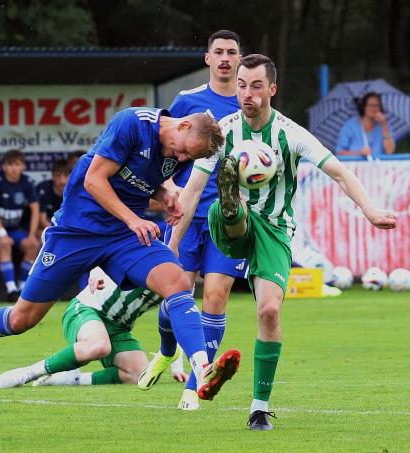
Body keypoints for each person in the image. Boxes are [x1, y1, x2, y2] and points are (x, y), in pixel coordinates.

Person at [0, 107, 241, 405]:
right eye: (185, 152)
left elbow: (141, 183)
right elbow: (94, 180)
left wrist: (164, 196)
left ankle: (202, 368)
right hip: (77, 231)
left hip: (122, 238)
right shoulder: (132, 123)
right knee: (22, 320)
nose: (182, 159)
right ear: (184, 125)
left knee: (176, 280)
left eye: (190, 158)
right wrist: (134, 219)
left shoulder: (175, 151)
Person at [171, 54, 397, 430]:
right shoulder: (222, 131)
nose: (247, 94)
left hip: (275, 230)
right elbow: (192, 191)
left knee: (269, 312)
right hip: (229, 226)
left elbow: (339, 172)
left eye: (256, 87)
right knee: (230, 210)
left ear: (272, 89)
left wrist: (370, 210)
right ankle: (231, 202)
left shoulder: (290, 133)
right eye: (242, 86)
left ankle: (258, 409)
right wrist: (172, 244)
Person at [167, 29, 248, 411]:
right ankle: (170, 350)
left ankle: (196, 386)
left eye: (232, 52)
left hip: (227, 219)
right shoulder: (187, 101)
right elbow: (165, 152)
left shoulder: (250, 102)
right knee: (177, 294)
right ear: (207, 58)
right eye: (219, 52)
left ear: (240, 58)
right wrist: (166, 188)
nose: (226, 58)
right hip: (186, 213)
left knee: (215, 297)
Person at [0, 268, 186, 388]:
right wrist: (95, 271)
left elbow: (175, 322)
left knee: (139, 374)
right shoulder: (153, 254)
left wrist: (177, 366)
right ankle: (29, 373)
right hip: (88, 308)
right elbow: (106, 251)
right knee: (99, 346)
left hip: (119, 327)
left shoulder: (183, 282)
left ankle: (72, 379)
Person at [0, 150, 40, 302]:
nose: (13, 168)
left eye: (17, 164)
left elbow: (35, 209)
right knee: (4, 244)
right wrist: (2, 233)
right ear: (4, 167)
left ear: (23, 167)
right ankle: (11, 289)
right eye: (10, 164)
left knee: (33, 245)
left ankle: (22, 288)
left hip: (14, 229)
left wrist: (31, 235)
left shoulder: (27, 182)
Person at [335, 92, 396, 159]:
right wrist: (359, 153)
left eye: (377, 105)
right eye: (370, 105)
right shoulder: (350, 126)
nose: (374, 108)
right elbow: (339, 153)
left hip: (379, 167)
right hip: (354, 167)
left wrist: (384, 125)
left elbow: (390, 151)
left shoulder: (385, 126)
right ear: (363, 107)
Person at [35, 158, 70, 236]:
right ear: (52, 176)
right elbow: (42, 220)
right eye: (58, 176)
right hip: (48, 229)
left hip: (65, 229)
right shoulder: (43, 189)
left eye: (66, 175)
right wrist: (59, 233)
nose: (62, 181)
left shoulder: (74, 191)